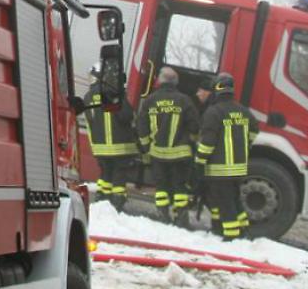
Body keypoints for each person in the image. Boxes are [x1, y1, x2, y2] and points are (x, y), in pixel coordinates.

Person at [195, 72, 258, 240]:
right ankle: (243, 229)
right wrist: (246, 145)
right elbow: (254, 130)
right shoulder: (243, 111)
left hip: (219, 169)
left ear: (216, 88)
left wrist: (199, 161)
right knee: (234, 200)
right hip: (238, 167)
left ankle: (231, 236)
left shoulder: (213, 112)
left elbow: (207, 143)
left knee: (225, 203)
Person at [137, 66, 200, 226]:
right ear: (176, 83)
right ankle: (180, 217)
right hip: (181, 154)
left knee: (161, 186)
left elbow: (142, 126)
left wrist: (146, 147)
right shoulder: (185, 100)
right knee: (180, 186)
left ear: (159, 80)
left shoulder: (150, 100)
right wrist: (190, 141)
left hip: (158, 154)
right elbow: (194, 127)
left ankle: (163, 215)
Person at [82, 62, 138, 211]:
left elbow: (89, 123)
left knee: (105, 175)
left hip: (101, 148)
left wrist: (95, 147)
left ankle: (102, 200)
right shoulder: (114, 93)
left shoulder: (88, 97)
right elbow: (126, 116)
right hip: (120, 148)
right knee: (119, 177)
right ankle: (117, 204)